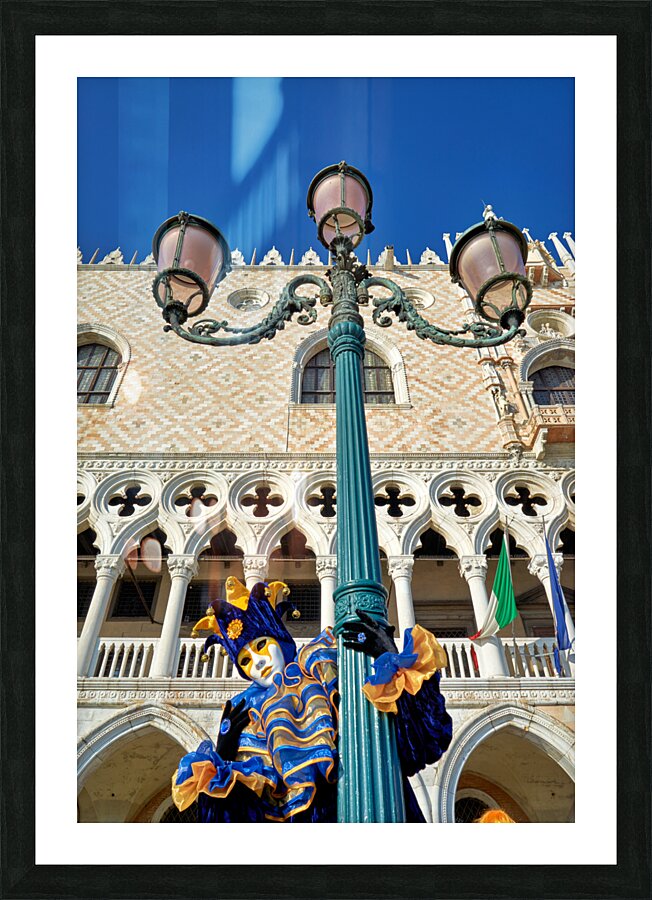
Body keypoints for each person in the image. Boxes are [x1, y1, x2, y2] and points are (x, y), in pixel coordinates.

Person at [171, 576, 452, 822]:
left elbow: (416, 742)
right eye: (245, 660)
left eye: (261, 646)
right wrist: (224, 755)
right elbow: (240, 825)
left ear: (279, 640)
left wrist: (389, 661)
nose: (257, 663)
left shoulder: (325, 668)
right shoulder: (249, 719)